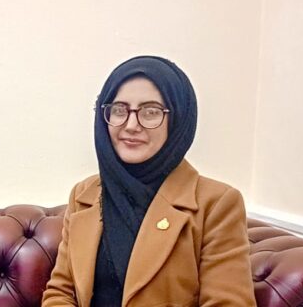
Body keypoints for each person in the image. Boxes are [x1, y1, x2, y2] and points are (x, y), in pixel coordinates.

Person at [42, 56, 255, 306]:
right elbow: (61, 292)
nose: (131, 125)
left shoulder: (217, 203)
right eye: (119, 110)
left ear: (177, 119)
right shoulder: (84, 194)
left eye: (151, 111)